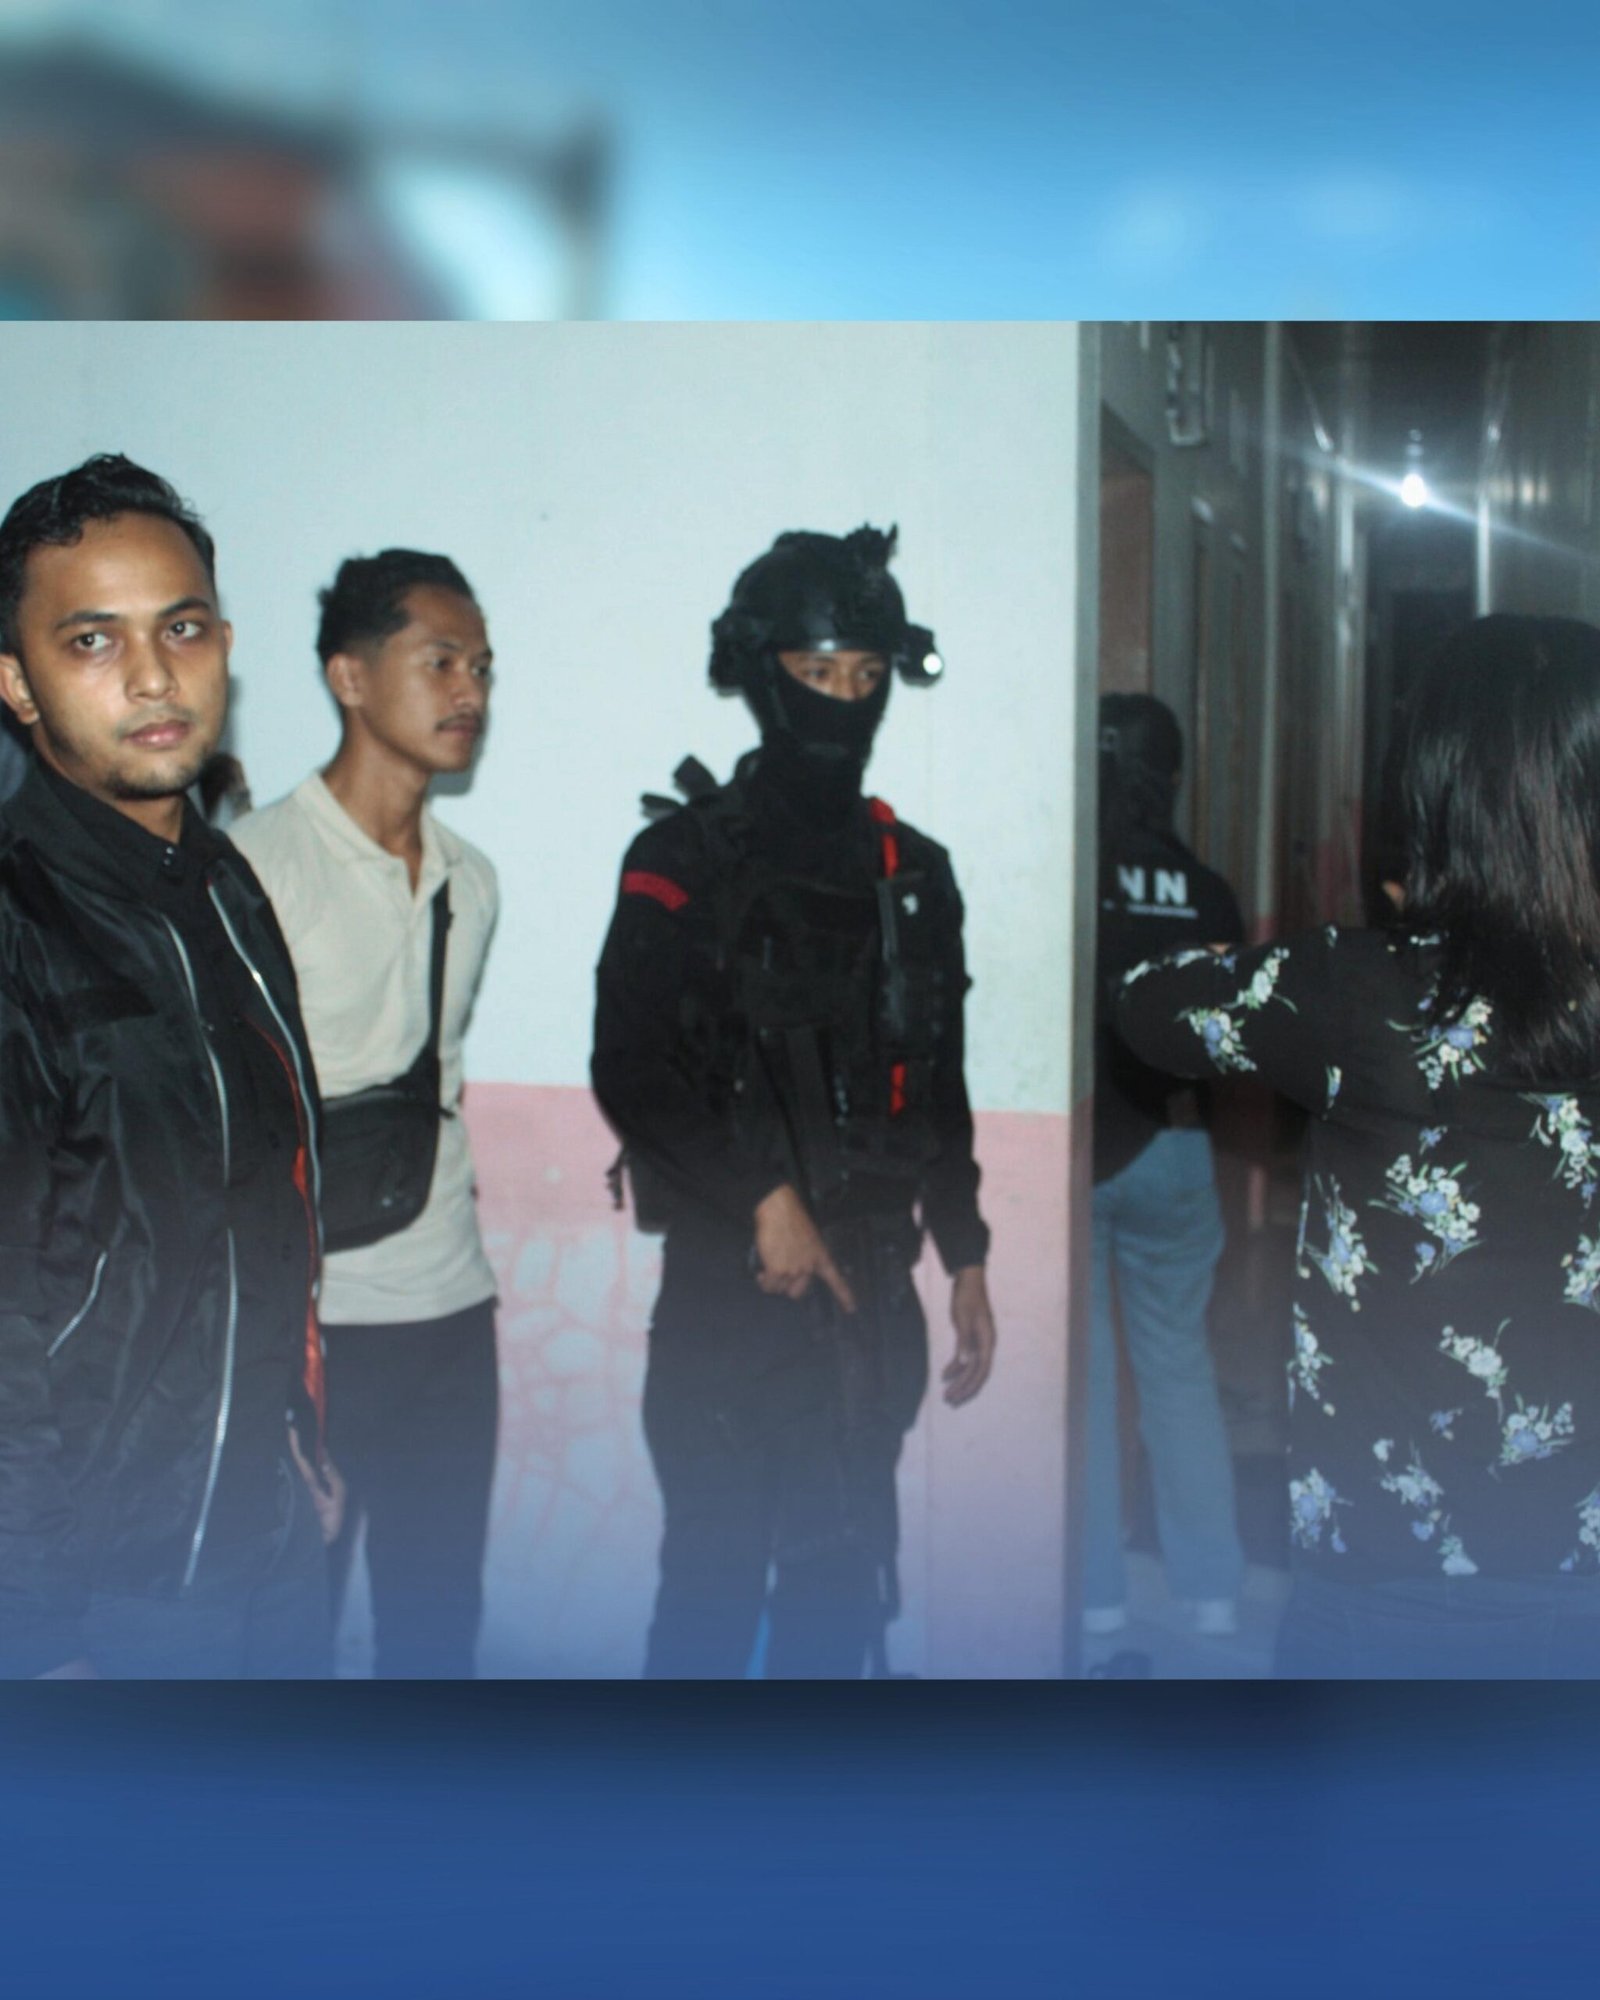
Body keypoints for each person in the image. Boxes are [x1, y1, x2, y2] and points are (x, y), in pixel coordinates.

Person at [1116, 614, 1600, 1677]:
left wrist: (1249, 954)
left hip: (1391, 1578)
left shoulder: (1355, 986)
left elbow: (1146, 1006)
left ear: (1432, 795)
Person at [592, 524, 997, 1679]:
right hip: (730, 1289)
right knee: (709, 1594)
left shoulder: (911, 873)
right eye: (817, 671)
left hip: (871, 1282)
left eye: (866, 675)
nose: (843, 699)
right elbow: (631, 1063)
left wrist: (966, 1252)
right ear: (763, 671)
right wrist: (762, 1196)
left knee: (840, 1596)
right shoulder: (681, 854)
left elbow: (938, 1077)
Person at [0, 453, 338, 1680]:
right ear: (15, 681)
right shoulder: (18, 922)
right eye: (92, 640)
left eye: (181, 628)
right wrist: (37, 1634)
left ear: (224, 647)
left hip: (268, 1540)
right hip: (107, 1591)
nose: (152, 675)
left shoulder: (226, 887)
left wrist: (298, 1425)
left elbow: (264, 1197)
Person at [232, 550, 500, 1679]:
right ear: (350, 676)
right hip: (311, 1328)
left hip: (453, 1309)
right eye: (439, 661)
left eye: (481, 666)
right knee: (287, 1639)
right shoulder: (255, 867)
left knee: (436, 1635)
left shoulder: (470, 878)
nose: (469, 689)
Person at [1087, 694, 1246, 1641]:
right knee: (1179, 1370)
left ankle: (1097, 1596)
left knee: (1086, 1380)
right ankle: (1213, 1594)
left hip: (1082, 1150)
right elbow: (1234, 1037)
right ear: (1175, 778)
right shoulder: (1208, 892)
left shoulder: (1076, 876)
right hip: (1177, 1144)